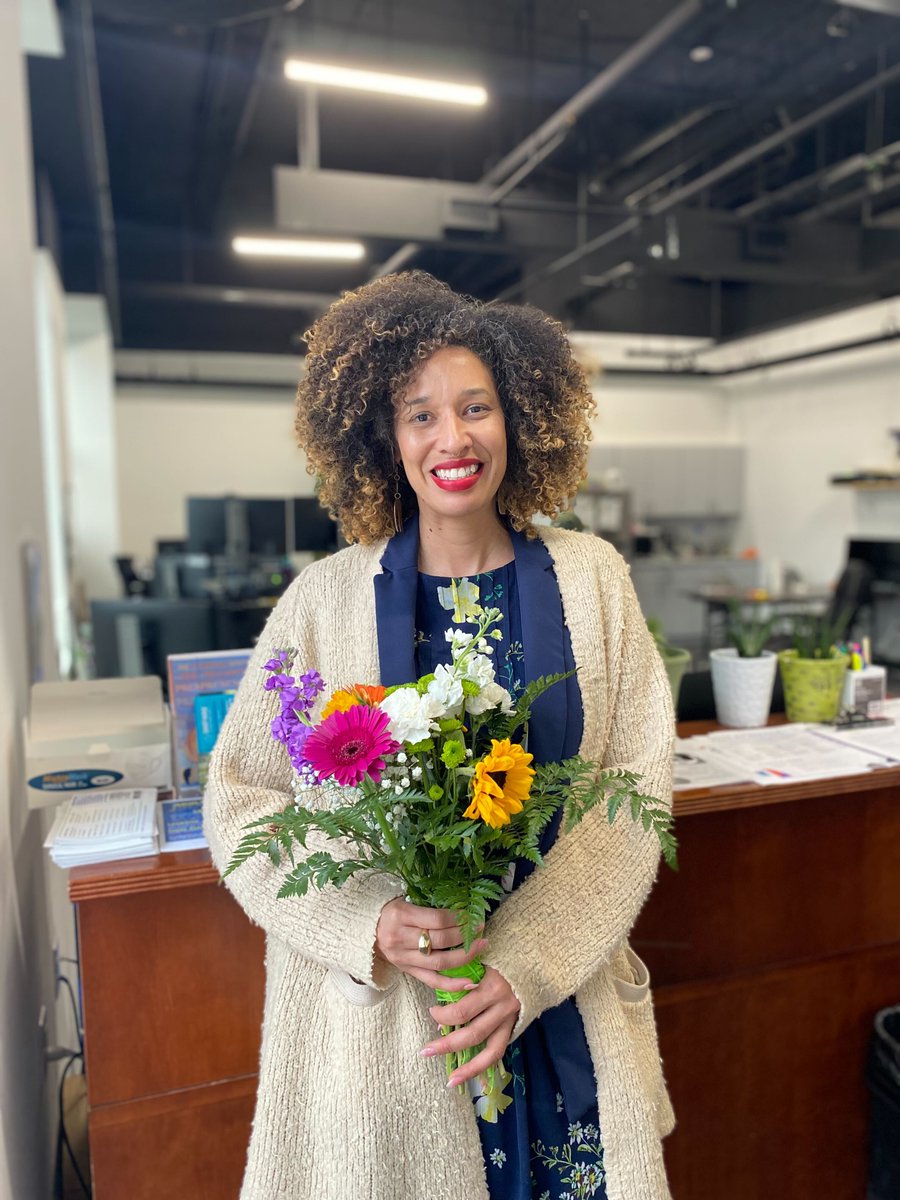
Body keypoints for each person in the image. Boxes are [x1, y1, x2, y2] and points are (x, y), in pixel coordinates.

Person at [203, 271, 675, 1200]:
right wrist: (365, 922)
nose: (452, 439)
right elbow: (242, 800)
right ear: (385, 439)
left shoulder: (594, 579)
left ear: (519, 420)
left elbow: (637, 781)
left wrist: (528, 963)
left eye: (476, 408)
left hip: (560, 1019)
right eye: (420, 416)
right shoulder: (322, 600)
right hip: (394, 1043)